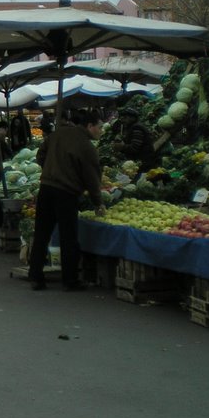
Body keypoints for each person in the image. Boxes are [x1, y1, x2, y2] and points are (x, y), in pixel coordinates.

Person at [28, 109, 106, 291]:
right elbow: (92, 178)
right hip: (66, 193)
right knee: (68, 237)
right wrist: (98, 202)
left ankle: (36, 276)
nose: (101, 131)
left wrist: (49, 169)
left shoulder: (58, 133)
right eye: (100, 127)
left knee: (41, 233)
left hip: (46, 189)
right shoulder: (87, 147)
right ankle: (70, 280)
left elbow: (41, 154)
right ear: (90, 126)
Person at [112, 107, 158, 171]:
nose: (123, 119)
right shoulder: (131, 127)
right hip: (141, 162)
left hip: (145, 163)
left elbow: (134, 148)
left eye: (125, 117)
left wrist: (122, 146)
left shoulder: (137, 128)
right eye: (122, 117)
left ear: (133, 118)